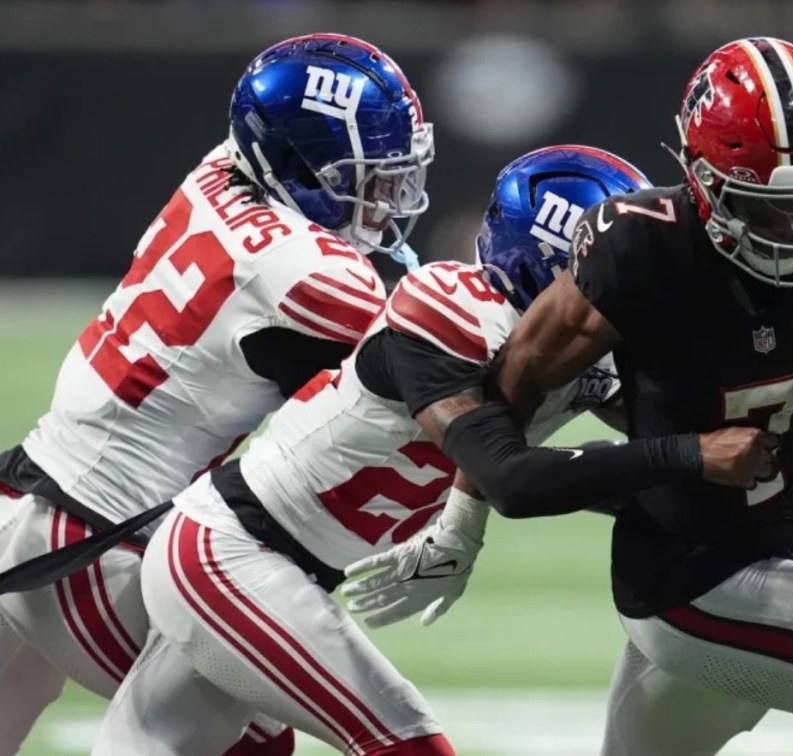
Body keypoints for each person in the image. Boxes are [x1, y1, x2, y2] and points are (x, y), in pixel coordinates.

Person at [348, 38, 793, 756]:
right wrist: (460, 523)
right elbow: (518, 378)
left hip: (770, 554)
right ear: (699, 179)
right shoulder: (641, 248)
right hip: (694, 584)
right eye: (765, 208)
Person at [80, 144, 739, 755]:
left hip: (277, 568)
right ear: (553, 259)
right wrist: (686, 457)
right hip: (230, 555)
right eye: (620, 262)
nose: (637, 281)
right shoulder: (451, 312)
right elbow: (511, 476)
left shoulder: (577, 348)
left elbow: (670, 431)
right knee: (406, 744)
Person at [0, 32, 432, 756]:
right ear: (295, 168)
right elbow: (425, 387)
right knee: (250, 739)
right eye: (366, 181)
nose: (386, 204)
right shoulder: (318, 277)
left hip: (28, 492)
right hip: (96, 542)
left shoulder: (219, 169)